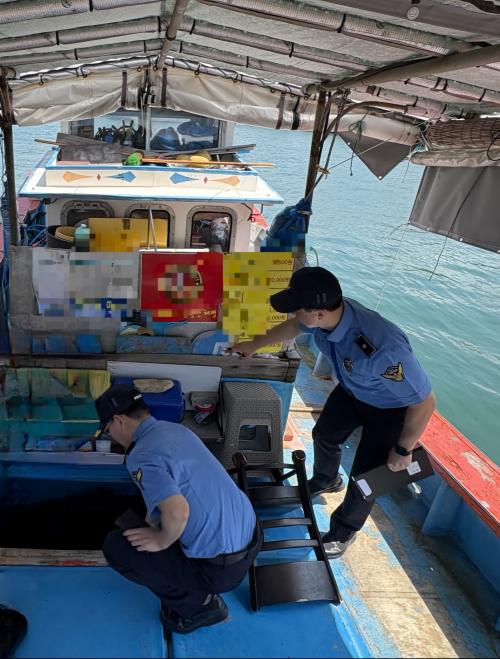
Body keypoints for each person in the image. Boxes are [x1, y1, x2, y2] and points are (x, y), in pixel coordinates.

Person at [230, 266, 436, 558]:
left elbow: (425, 402)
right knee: (324, 435)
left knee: (364, 480)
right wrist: (254, 344)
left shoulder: (383, 349)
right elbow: (295, 326)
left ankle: (343, 532)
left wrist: (404, 448)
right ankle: (326, 479)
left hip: (390, 410)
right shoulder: (325, 316)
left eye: (297, 309)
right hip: (353, 391)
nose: (294, 314)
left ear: (318, 314)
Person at [94, 384, 261, 634]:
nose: (112, 437)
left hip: (219, 569)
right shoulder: (174, 430)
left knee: (116, 547)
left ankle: (200, 606)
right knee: (140, 510)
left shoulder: (141, 455)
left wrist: (160, 540)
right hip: (251, 538)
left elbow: (178, 511)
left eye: (108, 431)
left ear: (119, 420)